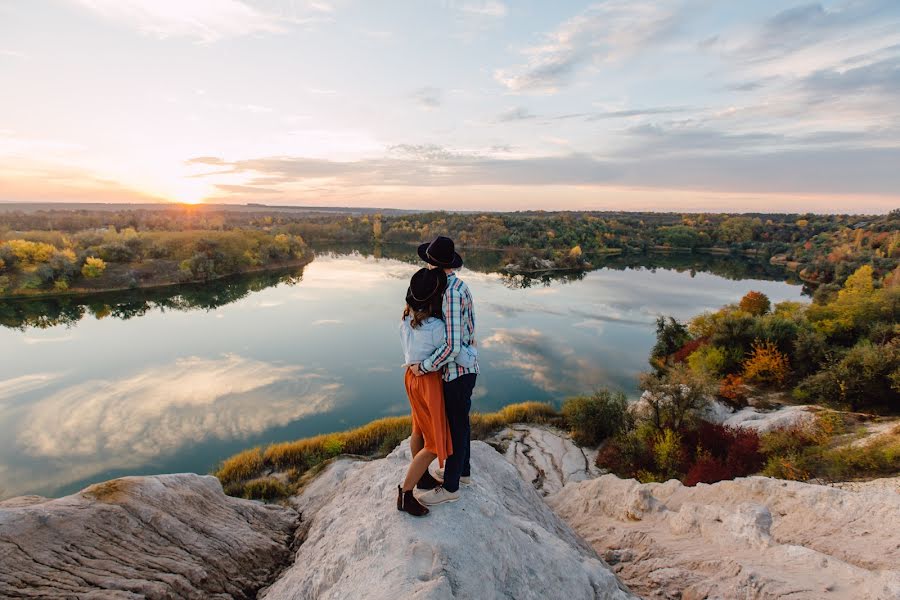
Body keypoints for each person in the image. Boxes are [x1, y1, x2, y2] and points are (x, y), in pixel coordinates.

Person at [396, 267, 477, 516]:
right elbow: (459, 354)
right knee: (434, 443)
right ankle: (405, 492)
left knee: (418, 428)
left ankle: (422, 479)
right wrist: (471, 349)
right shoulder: (437, 328)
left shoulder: (405, 322)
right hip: (428, 381)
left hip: (410, 378)